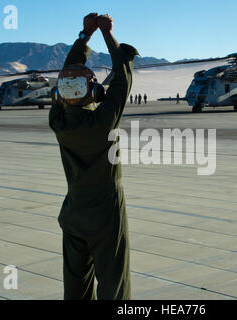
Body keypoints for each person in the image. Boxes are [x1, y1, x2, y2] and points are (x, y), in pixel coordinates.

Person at [49, 13, 138, 300]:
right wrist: (107, 34)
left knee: (75, 286)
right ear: (92, 92)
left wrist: (85, 36)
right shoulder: (102, 122)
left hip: (73, 214)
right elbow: (122, 78)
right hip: (105, 215)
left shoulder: (59, 122)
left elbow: (68, 76)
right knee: (114, 282)